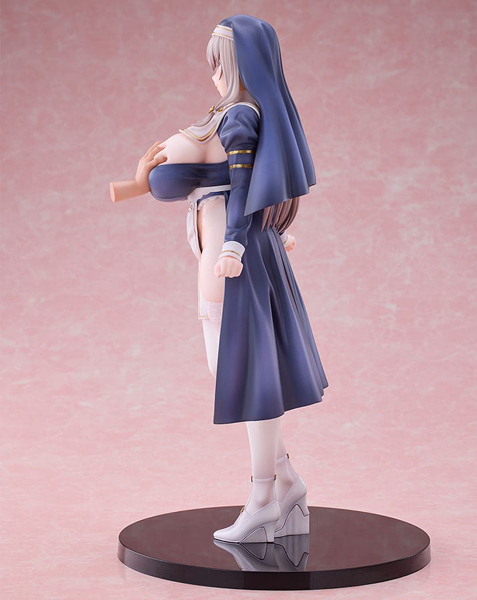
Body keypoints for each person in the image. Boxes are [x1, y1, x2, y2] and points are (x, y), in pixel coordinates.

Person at [110, 14, 328, 544]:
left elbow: (244, 185)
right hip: (225, 257)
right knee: (236, 372)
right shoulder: (223, 115)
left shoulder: (239, 118)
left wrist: (233, 245)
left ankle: (263, 498)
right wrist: (136, 184)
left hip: (233, 260)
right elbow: (194, 183)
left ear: (243, 64)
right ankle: (287, 483)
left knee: (249, 377)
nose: (213, 73)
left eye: (221, 63)